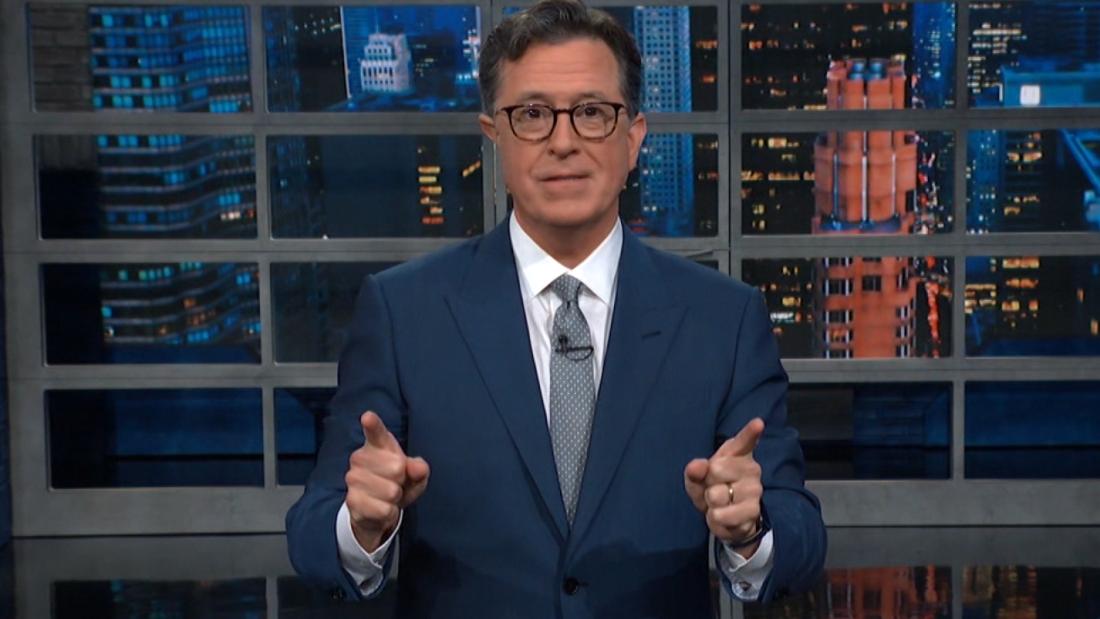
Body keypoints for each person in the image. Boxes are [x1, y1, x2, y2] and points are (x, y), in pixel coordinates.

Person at [285, 1, 826, 615]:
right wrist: (361, 525)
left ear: (633, 138)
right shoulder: (404, 312)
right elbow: (313, 532)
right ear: (494, 135)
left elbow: (801, 537)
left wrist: (751, 530)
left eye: (592, 113)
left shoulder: (723, 319)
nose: (563, 142)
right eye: (533, 114)